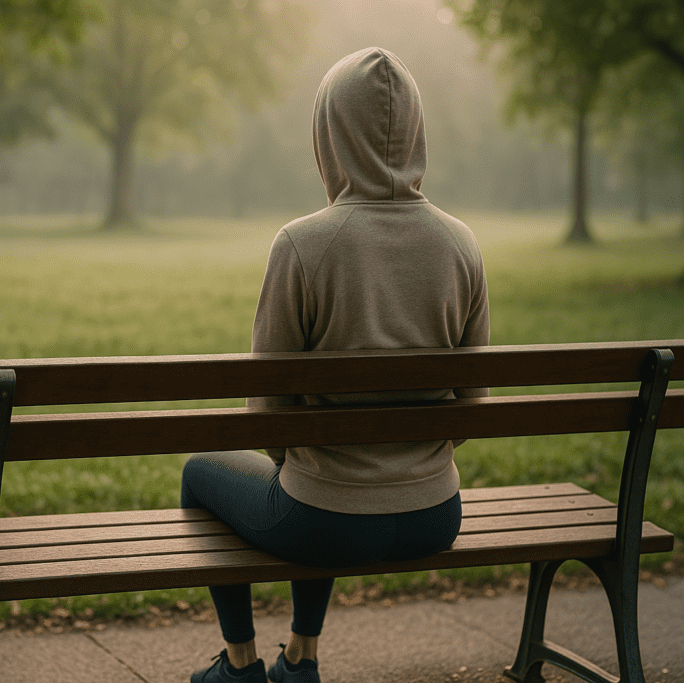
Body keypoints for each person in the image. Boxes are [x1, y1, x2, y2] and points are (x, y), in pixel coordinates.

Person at [181, 47, 490, 683]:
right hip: (436, 514)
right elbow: (471, 404)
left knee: (201, 471)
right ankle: (301, 655)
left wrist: (329, 474)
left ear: (328, 137)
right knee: (310, 472)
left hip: (320, 522)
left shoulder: (302, 244)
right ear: (416, 131)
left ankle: (239, 665)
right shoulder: (461, 244)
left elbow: (266, 420)